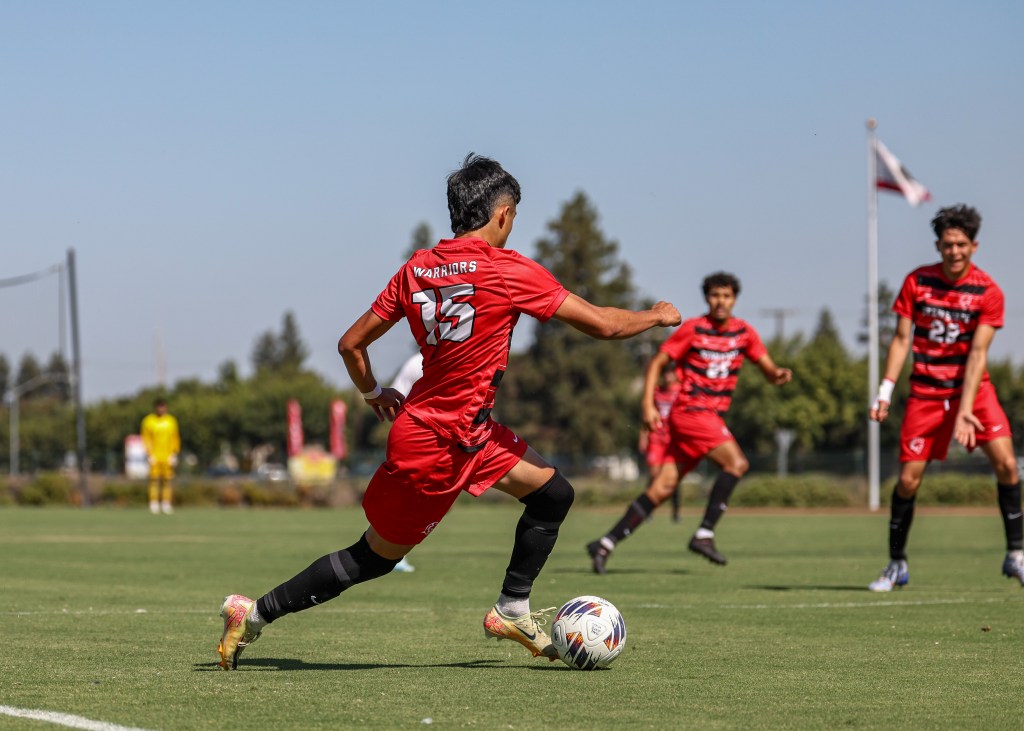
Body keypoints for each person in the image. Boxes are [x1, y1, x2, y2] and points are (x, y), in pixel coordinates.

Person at [216, 153, 680, 670]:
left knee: (553, 494)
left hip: (464, 432)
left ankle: (512, 609)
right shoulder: (507, 269)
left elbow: (351, 345)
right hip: (438, 445)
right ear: (502, 214)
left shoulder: (417, 268)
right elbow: (604, 325)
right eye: (514, 217)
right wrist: (655, 316)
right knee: (372, 558)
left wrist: (373, 393)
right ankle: (253, 614)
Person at [587, 272, 791, 573]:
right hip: (691, 412)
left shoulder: (744, 333)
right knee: (737, 464)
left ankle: (605, 543)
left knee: (662, 488)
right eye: (715, 295)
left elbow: (767, 367)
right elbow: (657, 362)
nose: (720, 301)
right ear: (707, 298)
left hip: (706, 419)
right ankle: (704, 533)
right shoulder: (694, 329)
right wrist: (647, 404)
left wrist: (777, 374)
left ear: (734, 299)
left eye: (726, 296)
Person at [868, 204, 1024, 592]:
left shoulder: (988, 291)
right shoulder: (917, 281)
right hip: (925, 392)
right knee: (908, 481)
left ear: (974, 246)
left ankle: (1016, 554)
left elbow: (977, 354)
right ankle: (896, 563)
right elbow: (901, 339)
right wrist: (885, 390)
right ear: (938, 246)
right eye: (947, 244)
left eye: (961, 244)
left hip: (974, 390)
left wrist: (965, 409)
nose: (954, 251)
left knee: (1007, 465)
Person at [388, 351, 424, 573]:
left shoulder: (460, 356)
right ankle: (393, 552)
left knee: (423, 499)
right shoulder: (416, 363)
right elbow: (395, 398)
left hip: (453, 440)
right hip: (417, 438)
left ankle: (394, 550)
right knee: (408, 495)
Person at [637, 366, 682, 522]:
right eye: (665, 373)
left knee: (673, 477)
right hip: (656, 438)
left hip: (674, 439)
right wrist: (643, 436)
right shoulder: (656, 391)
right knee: (654, 475)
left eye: (670, 373)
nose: (668, 376)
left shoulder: (681, 390)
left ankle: (676, 512)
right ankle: (647, 510)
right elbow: (647, 415)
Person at [140, 398, 180, 515]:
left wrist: (174, 453)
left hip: (167, 456)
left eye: (163, 407)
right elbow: (145, 438)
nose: (161, 409)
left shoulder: (171, 421)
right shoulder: (148, 421)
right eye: (159, 407)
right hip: (155, 456)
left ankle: (166, 503)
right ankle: (153, 503)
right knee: (153, 480)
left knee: (167, 480)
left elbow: (175, 438)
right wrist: (149, 454)